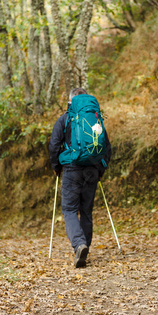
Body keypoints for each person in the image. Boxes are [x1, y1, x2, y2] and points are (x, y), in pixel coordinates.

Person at [49, 88, 111, 268]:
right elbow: (106, 148)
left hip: (71, 169)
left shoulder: (65, 119)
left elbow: (54, 146)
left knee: (69, 210)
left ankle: (79, 245)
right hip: (92, 170)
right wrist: (100, 170)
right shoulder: (95, 119)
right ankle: (84, 248)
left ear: (70, 101)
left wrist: (56, 167)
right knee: (86, 211)